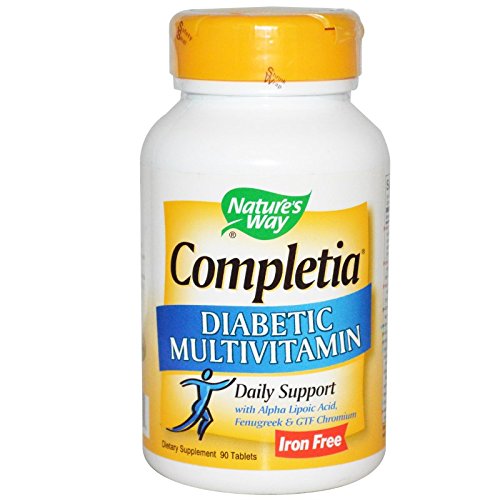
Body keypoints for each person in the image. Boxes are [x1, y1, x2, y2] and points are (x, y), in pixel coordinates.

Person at [168, 368, 236, 440]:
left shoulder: (202, 383)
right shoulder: (209, 385)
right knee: (193, 420)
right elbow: (220, 385)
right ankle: (177, 429)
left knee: (208, 419)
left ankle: (199, 434)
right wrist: (231, 380)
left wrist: (185, 383)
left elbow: (192, 381)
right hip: (200, 405)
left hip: (201, 405)